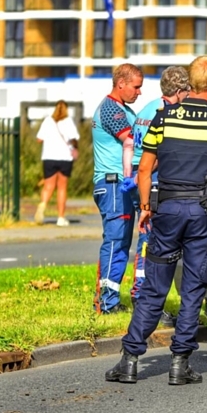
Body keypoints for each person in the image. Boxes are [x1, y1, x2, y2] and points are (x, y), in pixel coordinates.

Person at [106, 55, 207, 385]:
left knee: (155, 285)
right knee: (193, 287)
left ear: (190, 83)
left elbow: (146, 168)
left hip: (167, 209)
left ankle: (130, 359)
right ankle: (180, 363)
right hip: (202, 213)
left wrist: (147, 206)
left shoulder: (164, 118)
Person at [129, 66, 191, 309]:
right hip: (151, 180)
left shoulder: (146, 108)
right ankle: (143, 297)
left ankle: (141, 293)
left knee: (146, 238)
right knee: (153, 242)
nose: (188, 95)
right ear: (178, 91)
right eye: (186, 91)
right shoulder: (165, 112)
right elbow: (154, 158)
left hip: (138, 177)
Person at [92, 63, 143, 315]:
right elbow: (130, 141)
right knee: (115, 241)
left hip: (118, 184)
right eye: (136, 86)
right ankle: (106, 302)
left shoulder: (125, 109)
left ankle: (109, 299)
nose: (139, 92)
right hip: (113, 183)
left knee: (121, 242)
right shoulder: (112, 109)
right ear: (120, 83)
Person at [35, 100, 79, 227]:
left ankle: (42, 205)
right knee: (62, 188)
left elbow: (39, 139)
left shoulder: (48, 121)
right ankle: (60, 218)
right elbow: (73, 138)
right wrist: (76, 148)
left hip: (49, 157)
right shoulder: (68, 121)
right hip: (65, 157)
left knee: (48, 186)